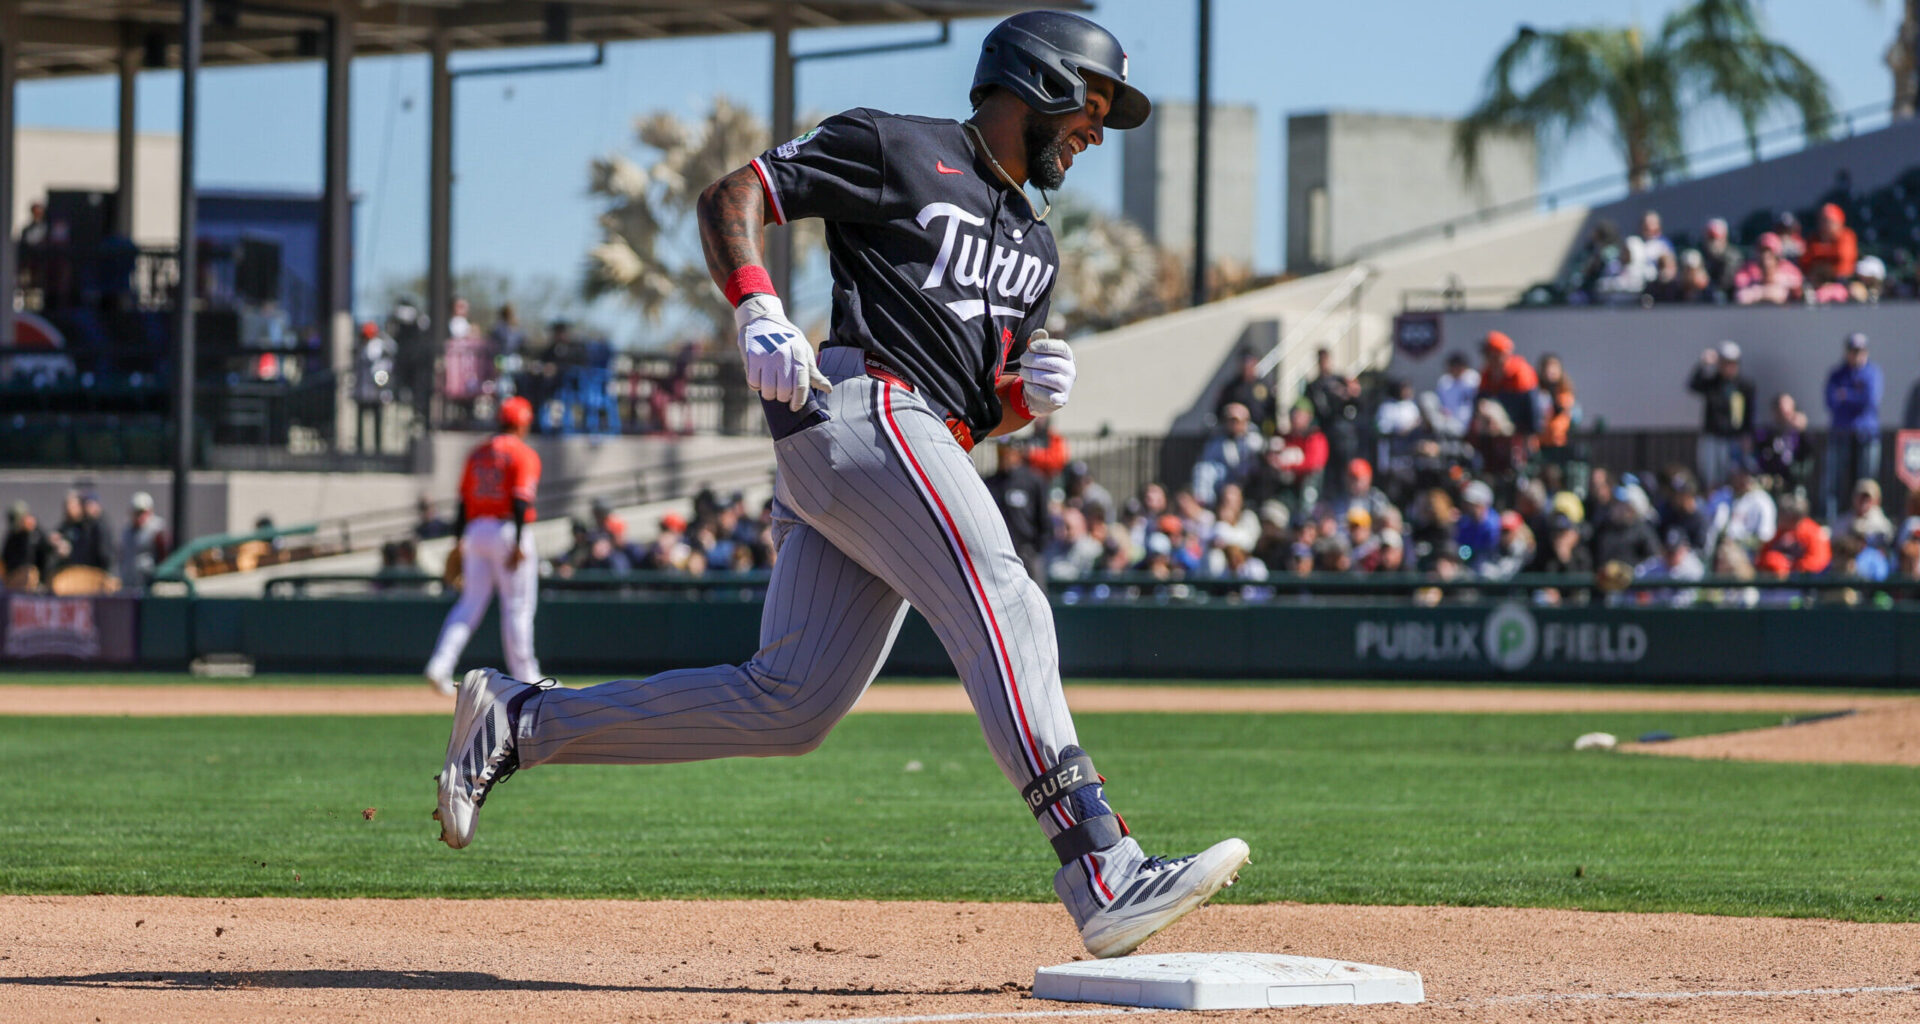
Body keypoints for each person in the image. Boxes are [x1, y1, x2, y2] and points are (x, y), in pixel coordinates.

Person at [431, 12, 1247, 962]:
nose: (1096, 133)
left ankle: (521, 720)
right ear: (1043, 81)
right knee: (1006, 598)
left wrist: (1022, 399)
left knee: (791, 703)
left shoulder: (1037, 246)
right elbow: (733, 193)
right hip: (862, 408)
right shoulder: (897, 144)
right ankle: (1101, 864)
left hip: (907, 447)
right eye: (1092, 107)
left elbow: (973, 416)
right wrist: (757, 308)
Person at [424, 396, 544, 695]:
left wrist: (458, 541)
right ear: (522, 424)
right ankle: (528, 677)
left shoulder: (478, 453)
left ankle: (440, 665)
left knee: (469, 605)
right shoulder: (523, 454)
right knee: (518, 607)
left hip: (476, 531)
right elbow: (520, 500)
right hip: (507, 529)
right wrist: (519, 541)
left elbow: (463, 502)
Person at [1822, 333, 1882, 521]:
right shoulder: (1837, 374)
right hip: (1841, 433)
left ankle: (1867, 518)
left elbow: (1870, 400)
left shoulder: (1872, 373)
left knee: (1866, 481)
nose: (1857, 355)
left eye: (1860, 351)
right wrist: (1856, 395)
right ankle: (1832, 519)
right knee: (1835, 480)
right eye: (1853, 351)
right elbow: (1831, 401)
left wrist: (1846, 395)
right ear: (1847, 352)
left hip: (1867, 434)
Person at [1687, 340, 1756, 489]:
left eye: (1732, 363)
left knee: (1732, 472)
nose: (1728, 367)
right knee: (1711, 474)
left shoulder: (1744, 386)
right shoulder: (1712, 383)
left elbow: (1749, 413)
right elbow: (1693, 385)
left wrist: (1747, 435)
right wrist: (1703, 365)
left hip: (1734, 438)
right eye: (1724, 363)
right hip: (1712, 436)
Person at [985, 439, 1050, 581]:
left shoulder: (1032, 481)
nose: (1004, 457)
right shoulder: (989, 483)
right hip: (997, 552)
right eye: (1001, 452)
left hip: (1026, 551)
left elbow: (1044, 518)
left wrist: (1036, 549)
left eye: (1008, 452)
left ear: (1018, 454)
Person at [1190, 401, 1264, 505]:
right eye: (1229, 420)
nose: (1232, 424)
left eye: (1236, 420)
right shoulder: (1217, 440)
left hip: (1249, 482)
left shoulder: (1254, 440)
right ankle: (1204, 505)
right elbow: (1207, 461)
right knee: (1203, 470)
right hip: (1224, 482)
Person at [1758, 494, 1831, 578]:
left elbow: (1818, 562)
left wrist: (1790, 567)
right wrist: (1777, 563)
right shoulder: (1780, 530)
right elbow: (1763, 556)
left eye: (1785, 513)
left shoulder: (1814, 532)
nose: (1780, 517)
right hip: (1777, 578)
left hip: (1805, 580)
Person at [1800, 202, 1858, 300]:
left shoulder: (1847, 236)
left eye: (1829, 221)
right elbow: (1805, 262)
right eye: (1822, 220)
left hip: (1842, 283)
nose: (1825, 225)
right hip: (1817, 284)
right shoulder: (1813, 238)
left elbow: (1843, 257)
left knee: (1855, 292)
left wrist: (1820, 252)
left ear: (1839, 222)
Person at [116, 492, 170, 590]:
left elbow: (164, 557)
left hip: (149, 584)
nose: (140, 516)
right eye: (137, 513)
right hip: (129, 583)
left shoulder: (157, 530)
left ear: (150, 511)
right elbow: (121, 555)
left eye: (143, 512)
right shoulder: (126, 531)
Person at [1215, 348, 1275, 434]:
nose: (1246, 366)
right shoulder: (1231, 387)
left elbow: (1271, 411)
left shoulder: (1264, 386)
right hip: (1233, 433)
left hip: (1258, 431)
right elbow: (1220, 410)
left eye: (1249, 362)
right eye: (1244, 362)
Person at [1733, 233, 1802, 305]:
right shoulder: (1748, 272)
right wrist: (1763, 293)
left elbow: (1798, 292)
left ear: (1777, 258)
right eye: (1762, 257)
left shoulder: (1789, 273)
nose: (1766, 262)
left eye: (1770, 257)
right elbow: (1740, 296)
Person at [1432, 351, 1479, 437]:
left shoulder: (1473, 379)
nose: (1455, 369)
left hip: (1470, 424)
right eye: (1452, 366)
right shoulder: (1444, 382)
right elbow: (1440, 405)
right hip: (1449, 424)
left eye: (1458, 366)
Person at [1698, 218, 1742, 298]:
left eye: (1716, 238)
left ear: (1724, 238)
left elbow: (1726, 282)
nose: (1713, 242)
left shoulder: (1732, 257)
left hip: (1729, 299)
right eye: (1710, 238)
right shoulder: (1701, 255)